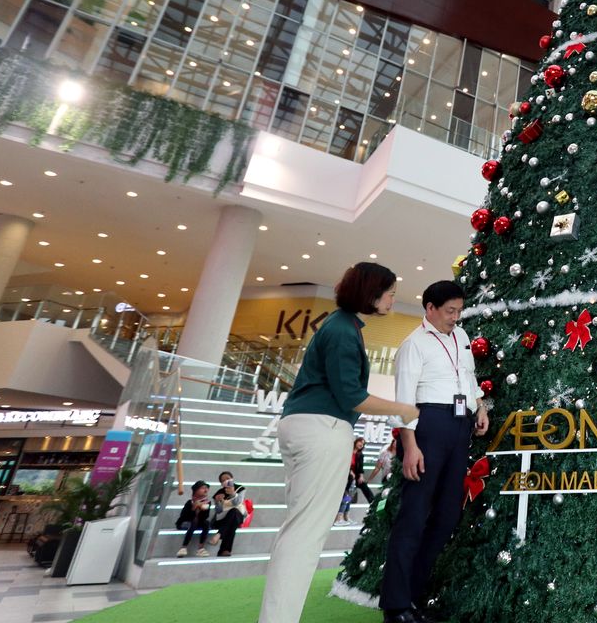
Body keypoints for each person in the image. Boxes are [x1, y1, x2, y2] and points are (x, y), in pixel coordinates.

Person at [259, 263, 419, 623]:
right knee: (305, 536)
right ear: (372, 293)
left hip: (302, 425)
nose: (394, 298)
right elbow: (352, 396)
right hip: (323, 429)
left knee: (297, 530)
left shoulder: (339, 325)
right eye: (390, 292)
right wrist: (403, 409)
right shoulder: (344, 331)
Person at [380, 281, 489, 623]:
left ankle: (413, 597)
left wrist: (480, 406)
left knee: (446, 516)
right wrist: (409, 445)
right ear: (430, 308)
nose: (455, 317)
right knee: (414, 515)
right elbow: (404, 401)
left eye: (459, 311)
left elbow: (468, 379)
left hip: (460, 426)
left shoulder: (462, 336)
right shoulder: (414, 344)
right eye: (449, 311)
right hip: (427, 426)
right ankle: (395, 607)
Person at [208, 471, 246, 555]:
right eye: (223, 480)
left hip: (238, 515)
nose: (226, 481)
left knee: (234, 511)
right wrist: (218, 502)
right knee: (232, 523)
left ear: (232, 479)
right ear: (221, 483)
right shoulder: (219, 493)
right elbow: (218, 511)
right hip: (223, 519)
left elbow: (237, 503)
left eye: (228, 478)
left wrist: (233, 493)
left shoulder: (240, 488)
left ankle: (219, 534)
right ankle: (225, 550)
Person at [175, 480, 211, 558]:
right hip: (186, 522)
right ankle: (184, 547)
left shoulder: (207, 503)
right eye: (202, 488)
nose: (205, 490)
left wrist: (202, 510)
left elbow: (205, 517)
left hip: (198, 523)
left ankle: (201, 548)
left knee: (206, 523)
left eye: (206, 488)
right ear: (196, 490)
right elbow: (184, 516)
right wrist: (194, 508)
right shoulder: (190, 502)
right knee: (193, 522)